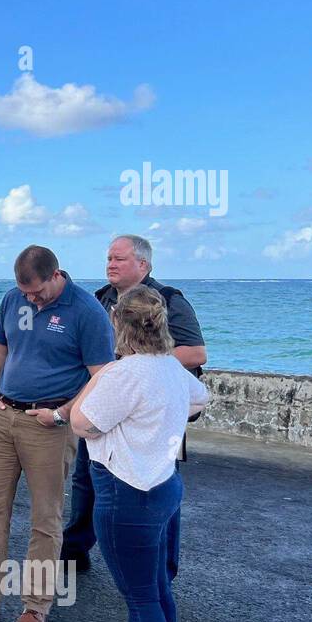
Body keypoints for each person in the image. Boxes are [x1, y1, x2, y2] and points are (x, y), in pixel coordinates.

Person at [0, 246, 114, 622]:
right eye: (25, 292)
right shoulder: (15, 298)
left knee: (45, 519)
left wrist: (63, 414)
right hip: (4, 417)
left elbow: (102, 378)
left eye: (37, 293)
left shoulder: (86, 311)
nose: (30, 300)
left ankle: (36, 606)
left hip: (49, 424)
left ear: (55, 276)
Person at [70, 285, 209, 622]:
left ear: (119, 325)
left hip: (127, 491)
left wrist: (99, 373)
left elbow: (81, 422)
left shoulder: (123, 374)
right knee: (158, 589)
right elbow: (199, 400)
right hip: (164, 486)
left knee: (142, 598)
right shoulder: (169, 367)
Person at [61, 234, 207, 572]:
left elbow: (196, 352)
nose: (110, 264)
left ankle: (164, 564)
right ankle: (75, 550)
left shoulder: (169, 300)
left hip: (150, 412)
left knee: (158, 483)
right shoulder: (100, 299)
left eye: (119, 259)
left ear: (143, 264)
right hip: (106, 403)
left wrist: (137, 361)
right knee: (86, 479)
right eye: (109, 258)